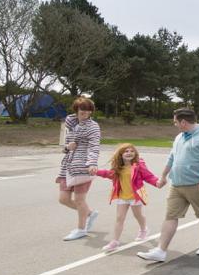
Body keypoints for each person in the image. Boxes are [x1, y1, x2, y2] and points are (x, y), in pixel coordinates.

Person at [137, 108, 199, 262]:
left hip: (196, 184)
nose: (174, 124)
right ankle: (161, 251)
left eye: (175, 121)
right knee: (170, 216)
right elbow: (172, 157)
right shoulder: (180, 136)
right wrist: (163, 175)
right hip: (177, 184)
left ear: (183, 122)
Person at [94, 143, 161, 252]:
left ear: (135, 153)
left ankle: (144, 229)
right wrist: (96, 171)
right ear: (121, 154)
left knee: (138, 215)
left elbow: (148, 176)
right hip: (122, 196)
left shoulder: (139, 165)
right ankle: (114, 242)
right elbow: (109, 174)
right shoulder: (118, 167)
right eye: (126, 151)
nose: (129, 153)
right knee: (119, 218)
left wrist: (157, 182)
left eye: (131, 151)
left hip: (136, 195)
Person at [57, 97, 101, 241]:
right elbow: (64, 146)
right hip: (68, 166)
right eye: (82, 110)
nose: (85, 113)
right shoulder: (70, 124)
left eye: (88, 111)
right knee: (63, 199)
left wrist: (92, 163)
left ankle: (81, 229)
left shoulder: (93, 126)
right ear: (76, 110)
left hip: (83, 166)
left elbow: (94, 146)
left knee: (80, 200)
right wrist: (67, 147)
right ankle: (89, 213)